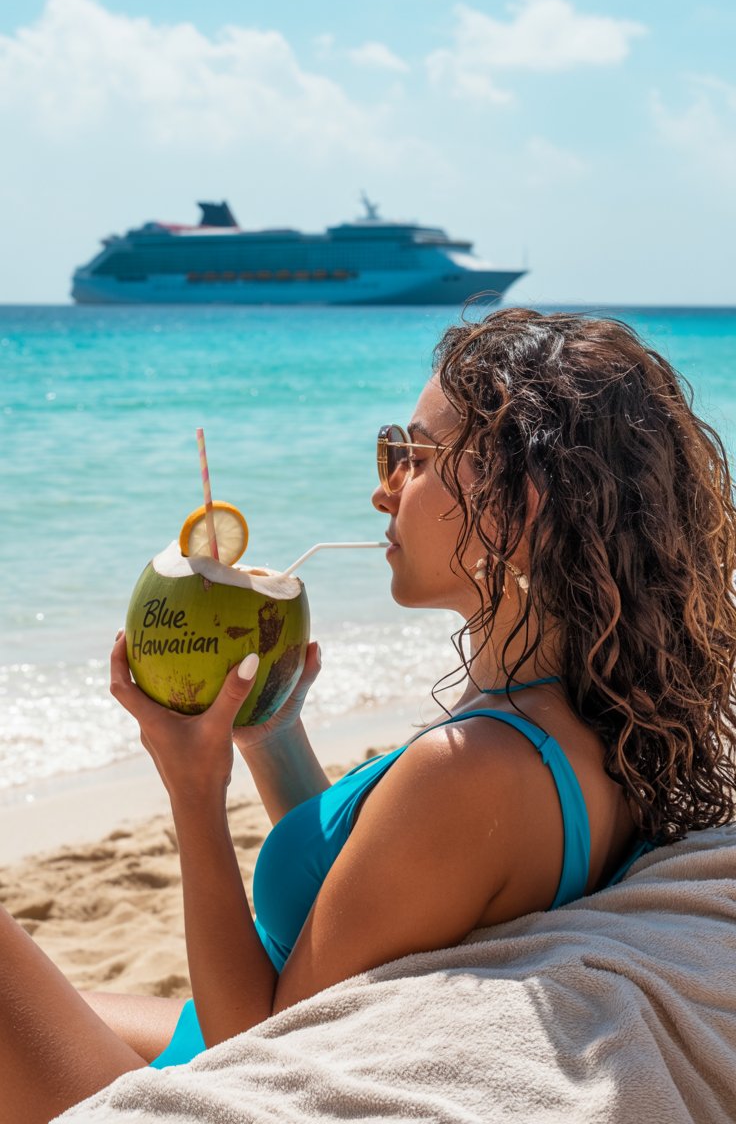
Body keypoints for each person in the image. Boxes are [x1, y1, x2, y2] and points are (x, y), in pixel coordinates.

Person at [2, 306, 735, 1123]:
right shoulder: (577, 712)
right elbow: (381, 892)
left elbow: (261, 1051)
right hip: (229, 1024)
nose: (380, 488)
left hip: (220, 1065)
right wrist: (273, 737)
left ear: (515, 508)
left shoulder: (473, 770)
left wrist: (192, 791)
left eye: (409, 456)